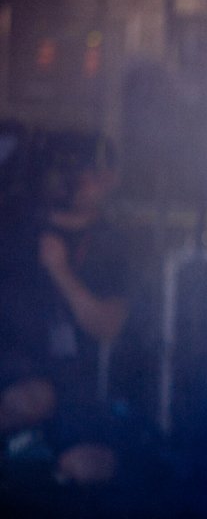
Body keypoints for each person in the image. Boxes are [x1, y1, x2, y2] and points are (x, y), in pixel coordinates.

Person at [0, 131, 132, 512]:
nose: (96, 181)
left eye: (101, 172)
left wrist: (60, 272)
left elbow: (107, 327)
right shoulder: (13, 229)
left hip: (73, 383)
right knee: (32, 397)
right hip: (13, 370)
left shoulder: (112, 243)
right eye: (83, 171)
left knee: (91, 465)